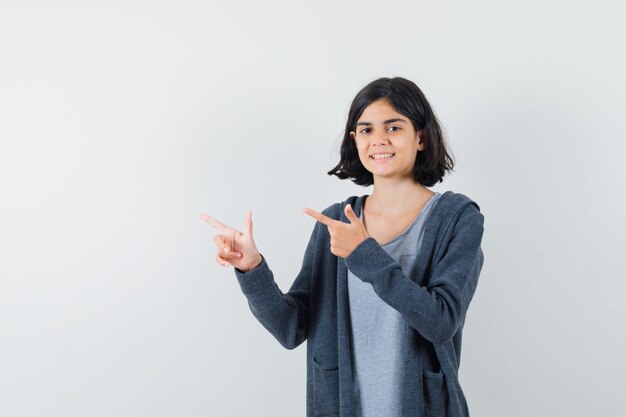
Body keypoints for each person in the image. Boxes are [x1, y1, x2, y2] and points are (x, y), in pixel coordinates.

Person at [201, 77, 485, 417]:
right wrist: (251, 268)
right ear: (354, 140)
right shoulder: (336, 222)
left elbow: (441, 322)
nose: (378, 140)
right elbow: (291, 328)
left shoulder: (457, 217)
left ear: (421, 137)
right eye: (365, 130)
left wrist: (364, 254)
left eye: (393, 127)